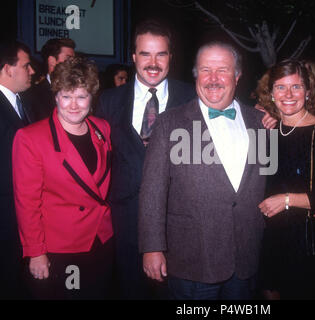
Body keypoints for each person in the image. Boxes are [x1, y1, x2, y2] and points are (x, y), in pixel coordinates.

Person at [138, 41, 268, 300]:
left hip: (246, 260)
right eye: (205, 70)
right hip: (192, 261)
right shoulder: (169, 123)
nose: (213, 79)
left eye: (222, 70)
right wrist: (152, 247)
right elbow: (152, 191)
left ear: (237, 76)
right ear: (196, 75)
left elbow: (270, 183)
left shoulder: (261, 123)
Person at [95, 19, 196, 299]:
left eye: (161, 54)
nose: (153, 62)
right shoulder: (108, 101)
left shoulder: (192, 98)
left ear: (171, 58)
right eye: (145, 54)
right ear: (133, 57)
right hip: (124, 224)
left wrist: (266, 117)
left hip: (176, 225)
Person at [12, 57, 114, 300]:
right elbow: (27, 203)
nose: (74, 105)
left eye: (82, 96)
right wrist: (35, 253)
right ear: (56, 96)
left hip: (102, 240)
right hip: (62, 248)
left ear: (92, 97)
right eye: (67, 96)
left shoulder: (103, 128)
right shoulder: (31, 138)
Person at [257, 59, 315, 299]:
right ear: (271, 93)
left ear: (308, 91)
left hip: (304, 242)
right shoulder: (268, 132)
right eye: (280, 87)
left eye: (296, 87)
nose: (288, 94)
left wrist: (286, 200)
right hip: (271, 239)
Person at [0, 41, 35, 299]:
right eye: (26, 65)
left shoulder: (27, 103)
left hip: (24, 214)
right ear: (7, 69)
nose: (32, 71)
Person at [23, 38, 75, 123]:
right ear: (52, 61)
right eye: (68, 59)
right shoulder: (32, 95)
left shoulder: (78, 91)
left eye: (74, 60)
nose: (73, 63)